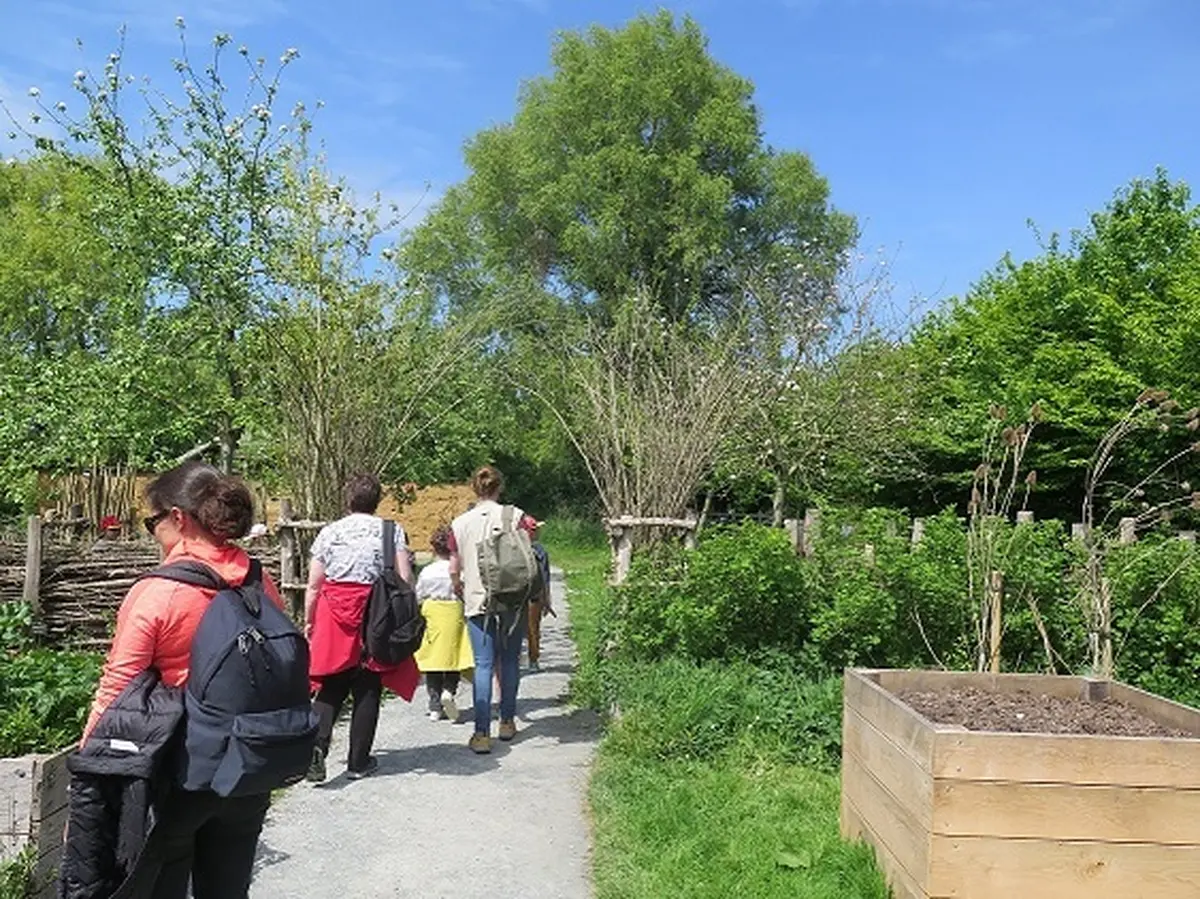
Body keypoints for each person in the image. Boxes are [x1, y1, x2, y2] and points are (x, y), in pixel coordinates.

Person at [68, 461, 281, 899]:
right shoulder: (261, 582)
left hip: (180, 769)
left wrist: (89, 771)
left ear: (179, 518)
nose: (154, 534)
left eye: (153, 522)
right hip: (248, 767)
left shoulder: (158, 592)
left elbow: (117, 687)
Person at [305, 473, 418, 782]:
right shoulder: (391, 531)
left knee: (332, 683)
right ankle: (358, 762)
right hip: (375, 611)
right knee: (368, 683)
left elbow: (314, 584)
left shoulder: (329, 533)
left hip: (335, 611)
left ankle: (317, 747)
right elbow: (405, 577)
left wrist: (310, 620)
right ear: (376, 500)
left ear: (347, 499)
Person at [448, 465, 538, 754]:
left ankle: (482, 734)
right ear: (500, 487)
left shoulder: (459, 523)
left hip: (477, 599)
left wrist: (457, 585)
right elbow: (530, 545)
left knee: (484, 665)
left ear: (475, 488)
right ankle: (508, 722)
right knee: (510, 660)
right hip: (512, 597)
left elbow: (454, 566)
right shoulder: (517, 516)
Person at [413, 525, 474, 722]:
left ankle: (434, 706)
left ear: (434, 548)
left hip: (433, 616)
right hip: (454, 613)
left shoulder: (427, 572)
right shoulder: (459, 571)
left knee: (433, 662)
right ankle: (449, 690)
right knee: (453, 658)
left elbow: (419, 595)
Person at [526, 523, 554, 672]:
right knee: (533, 629)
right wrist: (547, 600)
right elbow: (545, 577)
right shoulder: (539, 550)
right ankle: (533, 660)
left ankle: (511, 660)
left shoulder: (512, 548)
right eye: (536, 529)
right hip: (534, 597)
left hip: (513, 597)